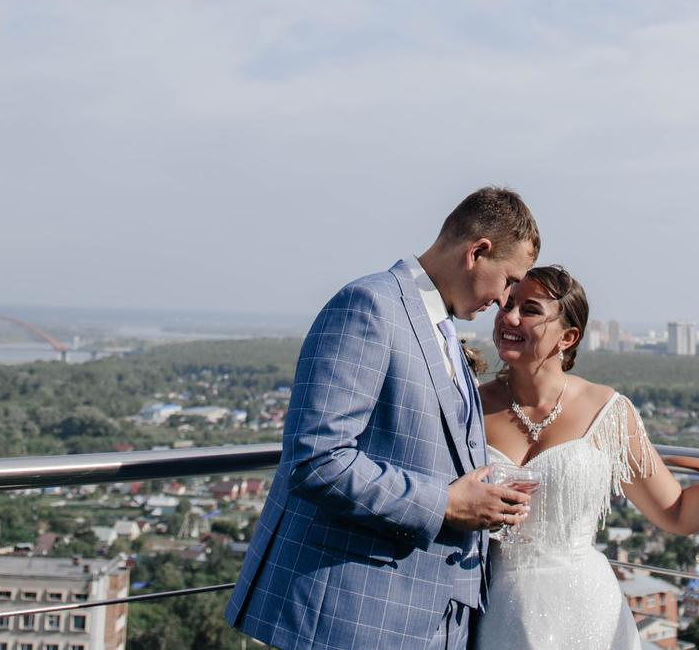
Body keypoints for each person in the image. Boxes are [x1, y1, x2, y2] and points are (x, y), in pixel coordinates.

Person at [227, 187, 543, 650]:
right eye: (510, 280)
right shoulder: (369, 306)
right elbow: (317, 460)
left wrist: (488, 503)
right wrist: (445, 505)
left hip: (432, 621)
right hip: (352, 617)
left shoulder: (444, 330)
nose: (504, 301)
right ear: (478, 252)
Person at [476, 265, 699, 650]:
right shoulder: (469, 406)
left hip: (585, 612)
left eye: (529, 310)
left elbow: (676, 512)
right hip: (495, 611)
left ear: (568, 336)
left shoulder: (608, 412)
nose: (509, 318)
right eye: (507, 305)